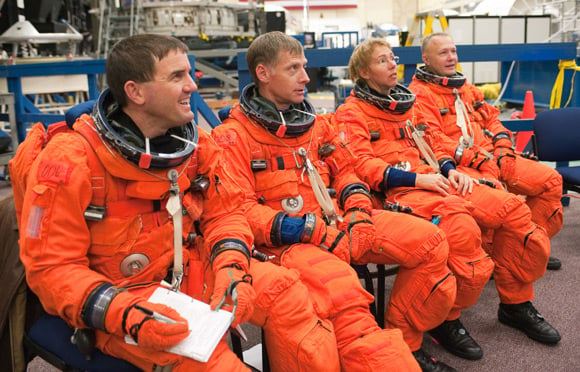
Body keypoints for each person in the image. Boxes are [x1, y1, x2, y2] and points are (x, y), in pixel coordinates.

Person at [16, 34, 342, 372]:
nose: (192, 86)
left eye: (189, 74)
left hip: (191, 271)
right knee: (213, 363)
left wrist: (231, 265)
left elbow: (225, 214)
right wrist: (124, 312)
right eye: (176, 77)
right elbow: (50, 268)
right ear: (135, 92)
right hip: (124, 297)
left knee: (287, 295)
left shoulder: (197, 145)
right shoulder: (69, 160)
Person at [213, 30, 456, 371]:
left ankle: (404, 338)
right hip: (289, 243)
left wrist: (357, 210)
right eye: (294, 68)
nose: (306, 77)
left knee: (431, 242)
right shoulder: (231, 138)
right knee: (346, 298)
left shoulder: (318, 125)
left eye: (305, 66)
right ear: (263, 73)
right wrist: (312, 230)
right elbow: (238, 211)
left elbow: (347, 171)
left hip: (341, 222)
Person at [333, 37, 500, 369]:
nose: (394, 64)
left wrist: (450, 170)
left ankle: (446, 317)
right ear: (364, 71)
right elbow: (363, 167)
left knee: (491, 229)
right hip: (394, 197)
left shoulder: (404, 107)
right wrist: (416, 180)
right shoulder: (350, 114)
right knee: (452, 237)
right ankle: (410, 336)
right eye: (383, 60)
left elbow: (433, 141)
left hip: (431, 184)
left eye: (393, 58)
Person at [406, 34, 562, 345]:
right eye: (443, 53)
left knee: (550, 182)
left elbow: (494, 119)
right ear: (425, 58)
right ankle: (515, 298)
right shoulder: (419, 95)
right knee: (508, 208)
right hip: (462, 168)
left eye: (454, 51)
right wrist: (483, 160)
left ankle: (515, 253)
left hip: (494, 157)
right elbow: (437, 143)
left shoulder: (465, 87)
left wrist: (503, 146)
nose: (451, 57)